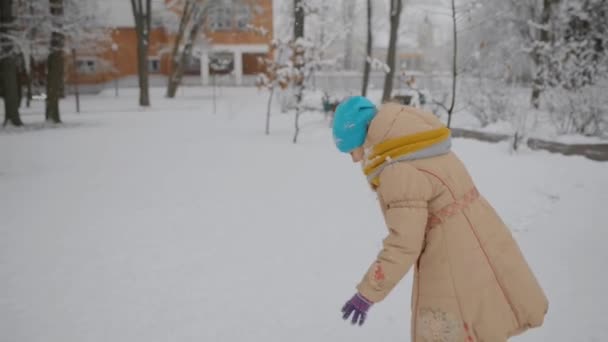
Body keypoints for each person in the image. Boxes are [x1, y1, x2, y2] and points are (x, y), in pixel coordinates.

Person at [334, 96, 548, 341]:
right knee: (482, 323)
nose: (354, 159)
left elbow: (404, 244)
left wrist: (368, 292)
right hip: (481, 242)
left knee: (451, 332)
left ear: (362, 136)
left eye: (351, 150)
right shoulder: (420, 146)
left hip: (449, 258)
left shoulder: (399, 170)